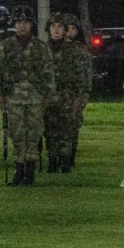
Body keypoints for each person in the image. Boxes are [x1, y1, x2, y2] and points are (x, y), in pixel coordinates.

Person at [0, 4, 54, 186]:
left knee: (33, 134)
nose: (22, 26)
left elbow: (49, 74)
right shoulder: (6, 47)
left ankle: (30, 171)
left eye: (25, 22)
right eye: (18, 22)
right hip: (13, 99)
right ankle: (19, 169)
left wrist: (47, 98)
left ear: (31, 24)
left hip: (36, 99)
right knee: (17, 134)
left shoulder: (41, 48)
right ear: (14, 24)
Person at [44, 13, 91, 173]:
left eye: (60, 27)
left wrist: (82, 96)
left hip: (68, 95)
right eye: (53, 27)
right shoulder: (42, 50)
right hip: (48, 96)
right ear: (49, 29)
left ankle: (65, 162)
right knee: (50, 130)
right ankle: (52, 159)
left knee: (66, 129)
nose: (56, 30)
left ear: (65, 30)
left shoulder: (75, 51)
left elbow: (82, 75)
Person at [62, 13, 91, 164]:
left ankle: (70, 157)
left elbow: (87, 73)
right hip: (58, 95)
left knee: (73, 126)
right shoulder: (53, 48)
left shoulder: (80, 49)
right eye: (67, 28)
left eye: (73, 28)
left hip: (75, 94)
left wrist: (85, 94)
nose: (70, 31)